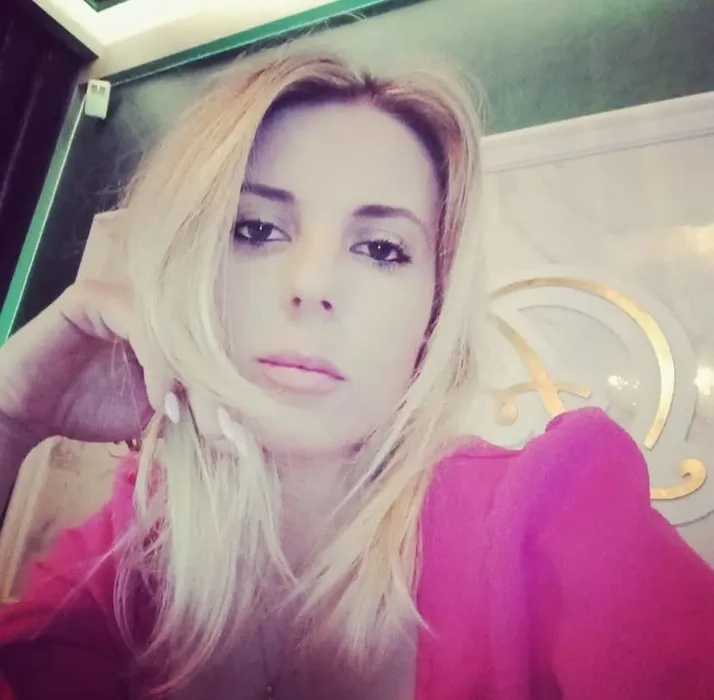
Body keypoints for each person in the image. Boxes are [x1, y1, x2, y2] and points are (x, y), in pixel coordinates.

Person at [0, 50, 713, 700]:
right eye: (255, 229)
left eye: (381, 248)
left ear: (432, 312)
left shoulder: (552, 511)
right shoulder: (134, 532)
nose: (312, 285)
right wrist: (9, 418)